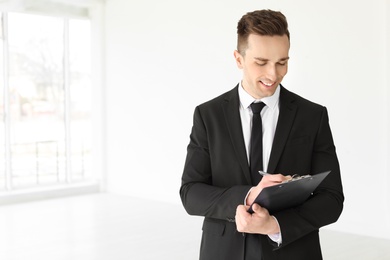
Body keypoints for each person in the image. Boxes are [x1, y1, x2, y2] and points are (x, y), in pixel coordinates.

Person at [179, 9, 344, 260]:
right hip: (223, 252)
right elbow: (191, 193)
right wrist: (248, 195)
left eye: (282, 62)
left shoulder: (313, 116)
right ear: (238, 59)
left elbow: (332, 198)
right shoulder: (207, 115)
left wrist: (275, 225)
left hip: (294, 251)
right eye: (261, 62)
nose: (273, 74)